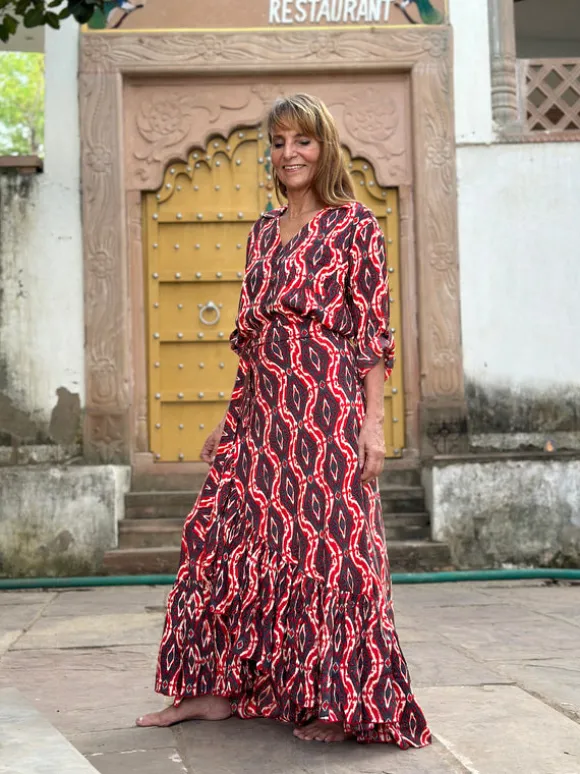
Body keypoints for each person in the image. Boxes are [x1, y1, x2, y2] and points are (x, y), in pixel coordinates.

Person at [136, 93, 430, 747]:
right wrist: (228, 414)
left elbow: (372, 336)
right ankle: (213, 690)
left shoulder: (356, 225)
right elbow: (251, 336)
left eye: (302, 141)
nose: (289, 153)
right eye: (278, 142)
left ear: (324, 147)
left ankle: (338, 697)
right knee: (219, 537)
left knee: (328, 553)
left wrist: (373, 427)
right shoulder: (262, 232)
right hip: (260, 412)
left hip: (326, 410)